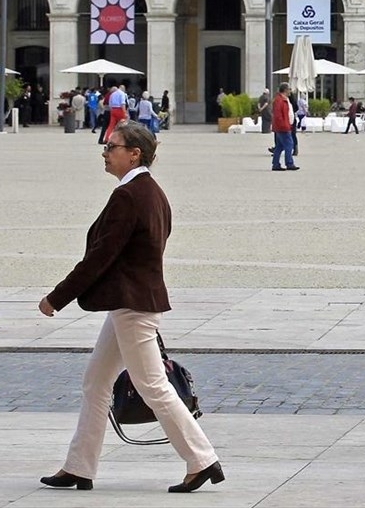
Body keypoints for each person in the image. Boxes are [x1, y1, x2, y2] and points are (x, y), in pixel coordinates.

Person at [38, 122, 224, 493]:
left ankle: (202, 459)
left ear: (134, 154)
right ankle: (79, 466)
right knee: (96, 382)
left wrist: (57, 297)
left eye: (112, 146)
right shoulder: (151, 191)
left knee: (153, 385)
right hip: (132, 302)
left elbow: (100, 256)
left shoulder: (129, 195)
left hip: (133, 305)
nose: (105, 152)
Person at [270, 83, 298, 171]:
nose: (290, 91)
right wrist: (284, 125)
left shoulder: (284, 99)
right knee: (289, 144)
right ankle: (289, 163)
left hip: (284, 125)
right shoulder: (279, 100)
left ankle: (275, 164)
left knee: (279, 146)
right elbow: (278, 115)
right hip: (283, 127)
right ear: (285, 90)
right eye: (289, 89)